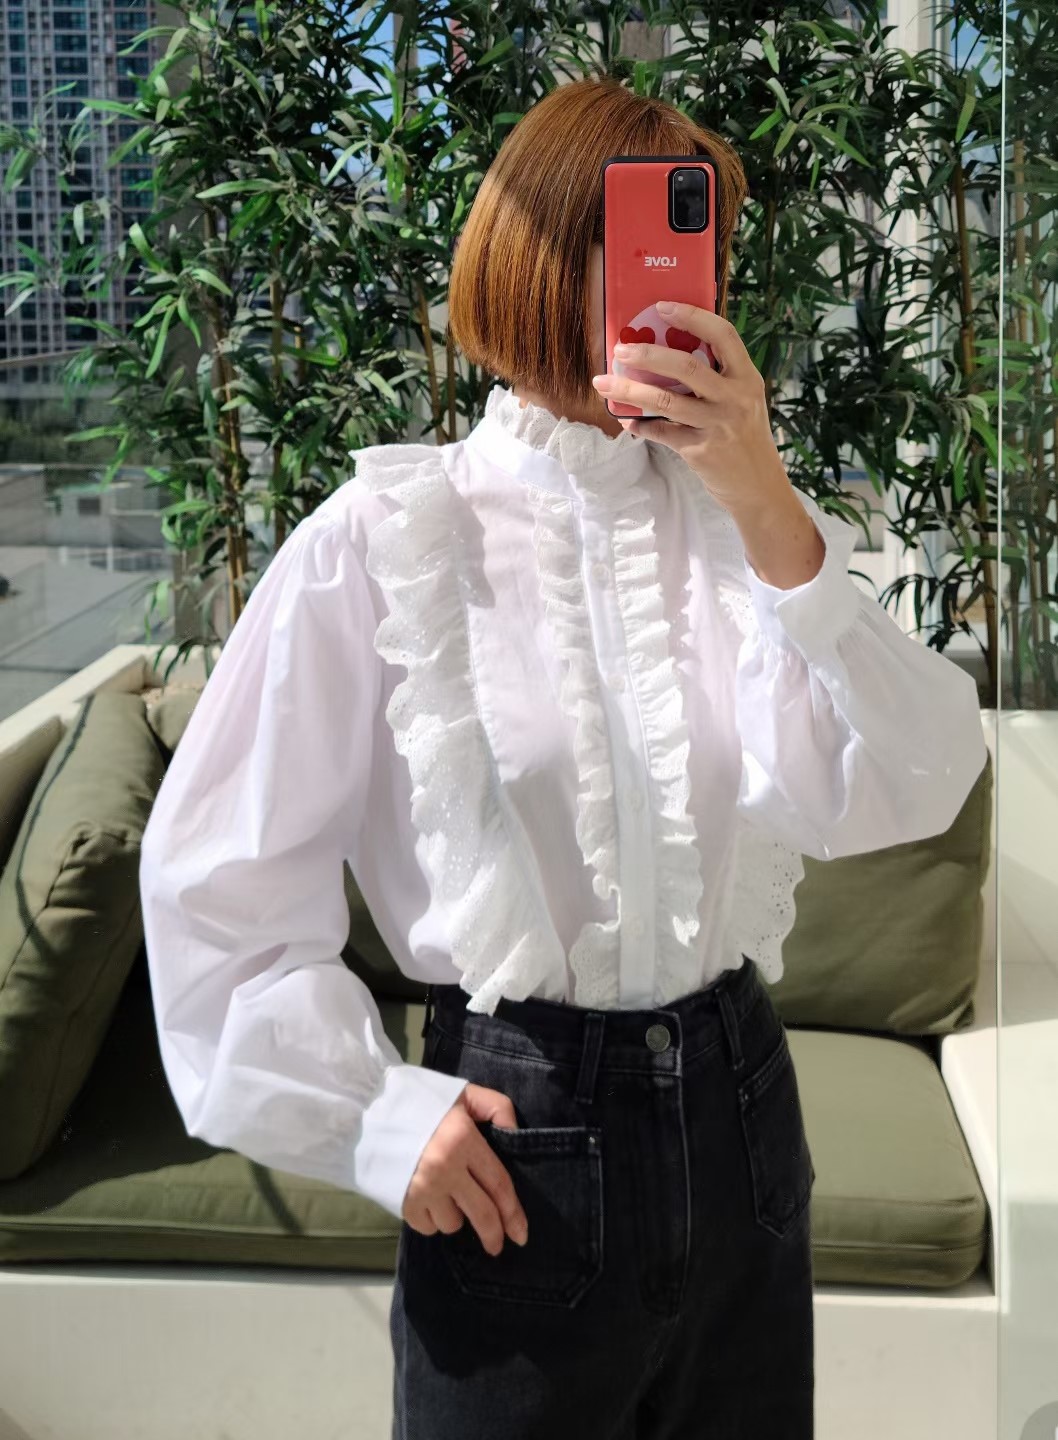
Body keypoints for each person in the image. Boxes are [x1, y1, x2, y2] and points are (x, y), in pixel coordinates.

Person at [139, 75, 989, 1439]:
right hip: (514, 1144)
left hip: (739, 1121)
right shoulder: (387, 541)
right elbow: (215, 887)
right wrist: (371, 1116)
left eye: (702, 245)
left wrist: (767, 499)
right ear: (536, 256)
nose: (686, 280)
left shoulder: (740, 530)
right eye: (647, 238)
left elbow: (913, 776)